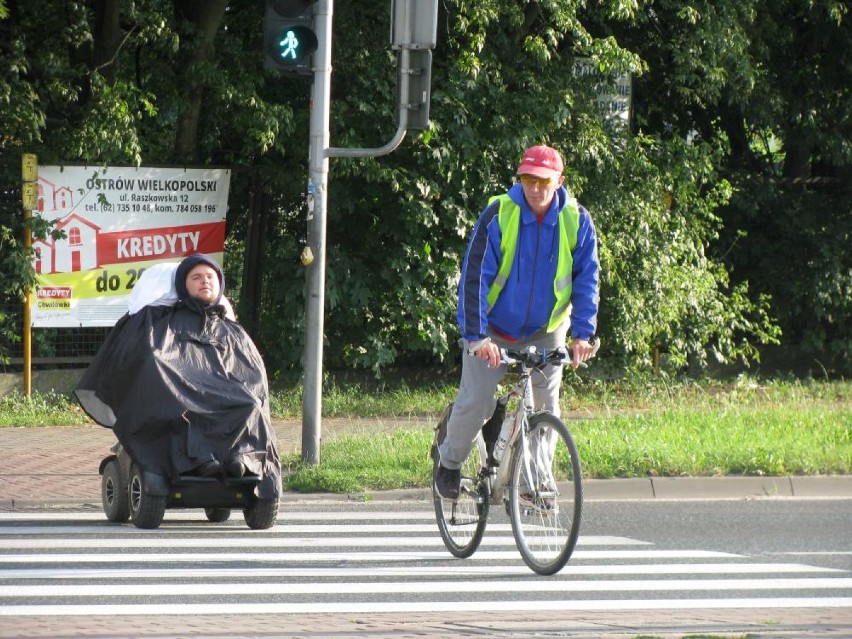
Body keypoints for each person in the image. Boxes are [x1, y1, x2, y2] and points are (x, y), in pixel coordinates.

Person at [434, 144, 600, 500]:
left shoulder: (577, 220)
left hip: (546, 328)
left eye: (544, 180)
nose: (536, 188)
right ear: (520, 179)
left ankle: (534, 483)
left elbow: (587, 278)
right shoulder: (500, 214)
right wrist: (477, 337)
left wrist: (583, 334)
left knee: (545, 407)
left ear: (560, 181)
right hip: (492, 328)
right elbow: (474, 277)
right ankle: (448, 463)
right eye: (528, 178)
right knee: (476, 399)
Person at [76, 253, 281, 498]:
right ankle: (199, 458)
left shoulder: (230, 329)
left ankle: (242, 458)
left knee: (250, 405)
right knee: (173, 402)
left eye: (210, 277)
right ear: (183, 284)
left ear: (220, 284)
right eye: (196, 277)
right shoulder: (158, 321)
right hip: (178, 393)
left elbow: (251, 370)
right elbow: (151, 359)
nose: (204, 281)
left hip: (226, 398)